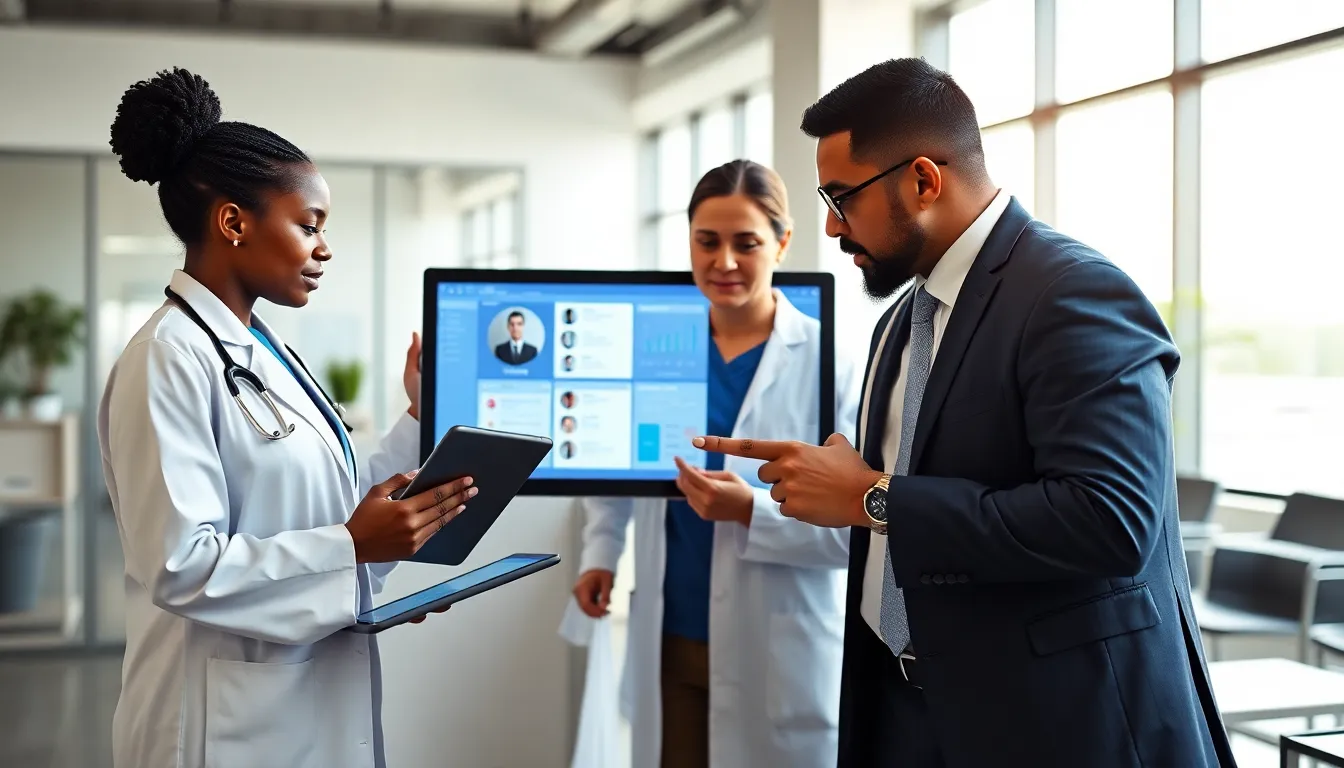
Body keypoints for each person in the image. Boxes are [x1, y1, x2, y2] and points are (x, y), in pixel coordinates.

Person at [694, 59, 1236, 768]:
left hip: (1054, 724)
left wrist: (872, 497)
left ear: (923, 180)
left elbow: (1111, 521)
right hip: (905, 712)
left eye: (841, 197)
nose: (830, 226)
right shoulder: (899, 322)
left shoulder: (1075, 294)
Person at [97, 68, 477, 768]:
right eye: (309, 225)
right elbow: (182, 568)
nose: (324, 248)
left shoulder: (263, 350)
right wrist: (350, 548)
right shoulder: (168, 357)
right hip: (217, 726)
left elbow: (323, 497)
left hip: (297, 701)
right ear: (234, 222)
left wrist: (416, 419)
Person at [572, 159, 862, 768]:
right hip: (670, 633)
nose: (723, 262)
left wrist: (750, 510)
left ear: (783, 242)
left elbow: (856, 530)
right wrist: (602, 551)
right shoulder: (655, 350)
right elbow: (621, 468)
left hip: (777, 642)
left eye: (746, 243)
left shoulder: (832, 362)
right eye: (707, 242)